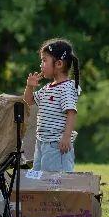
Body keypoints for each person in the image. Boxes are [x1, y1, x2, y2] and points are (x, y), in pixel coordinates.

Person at [23, 39, 81, 172]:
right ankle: (42, 193)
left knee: (54, 178)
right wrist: (29, 86)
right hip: (42, 141)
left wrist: (66, 137)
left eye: (44, 60)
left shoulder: (66, 88)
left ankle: (57, 194)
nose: (41, 65)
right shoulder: (47, 88)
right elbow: (28, 101)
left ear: (59, 64)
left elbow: (71, 113)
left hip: (56, 143)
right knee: (38, 175)